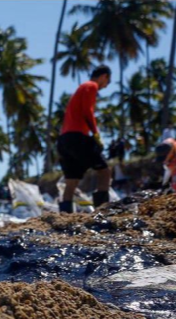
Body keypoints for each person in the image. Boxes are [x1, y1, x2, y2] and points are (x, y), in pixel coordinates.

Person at [57, 65, 111, 213]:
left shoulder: (80, 89)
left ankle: (65, 217)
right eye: (107, 82)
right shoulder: (91, 86)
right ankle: (102, 213)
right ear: (104, 76)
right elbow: (88, 111)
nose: (104, 87)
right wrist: (96, 134)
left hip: (64, 140)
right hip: (77, 137)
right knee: (104, 172)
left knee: (71, 180)